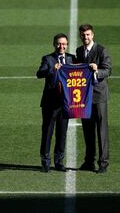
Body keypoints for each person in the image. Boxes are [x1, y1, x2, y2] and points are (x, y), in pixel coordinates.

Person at [75, 24, 112, 174]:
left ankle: (103, 163)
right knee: (88, 130)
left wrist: (97, 70)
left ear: (93, 35)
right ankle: (89, 161)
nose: (86, 37)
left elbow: (108, 70)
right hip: (84, 96)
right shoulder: (79, 51)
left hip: (99, 95)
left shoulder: (101, 50)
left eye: (88, 35)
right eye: (83, 35)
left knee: (101, 130)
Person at [36, 33, 75, 173]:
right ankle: (45, 162)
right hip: (50, 103)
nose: (61, 46)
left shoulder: (72, 58)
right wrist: (53, 69)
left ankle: (59, 162)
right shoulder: (48, 59)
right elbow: (39, 73)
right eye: (59, 43)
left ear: (67, 45)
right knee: (47, 132)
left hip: (65, 104)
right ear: (54, 44)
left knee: (62, 133)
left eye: (64, 44)